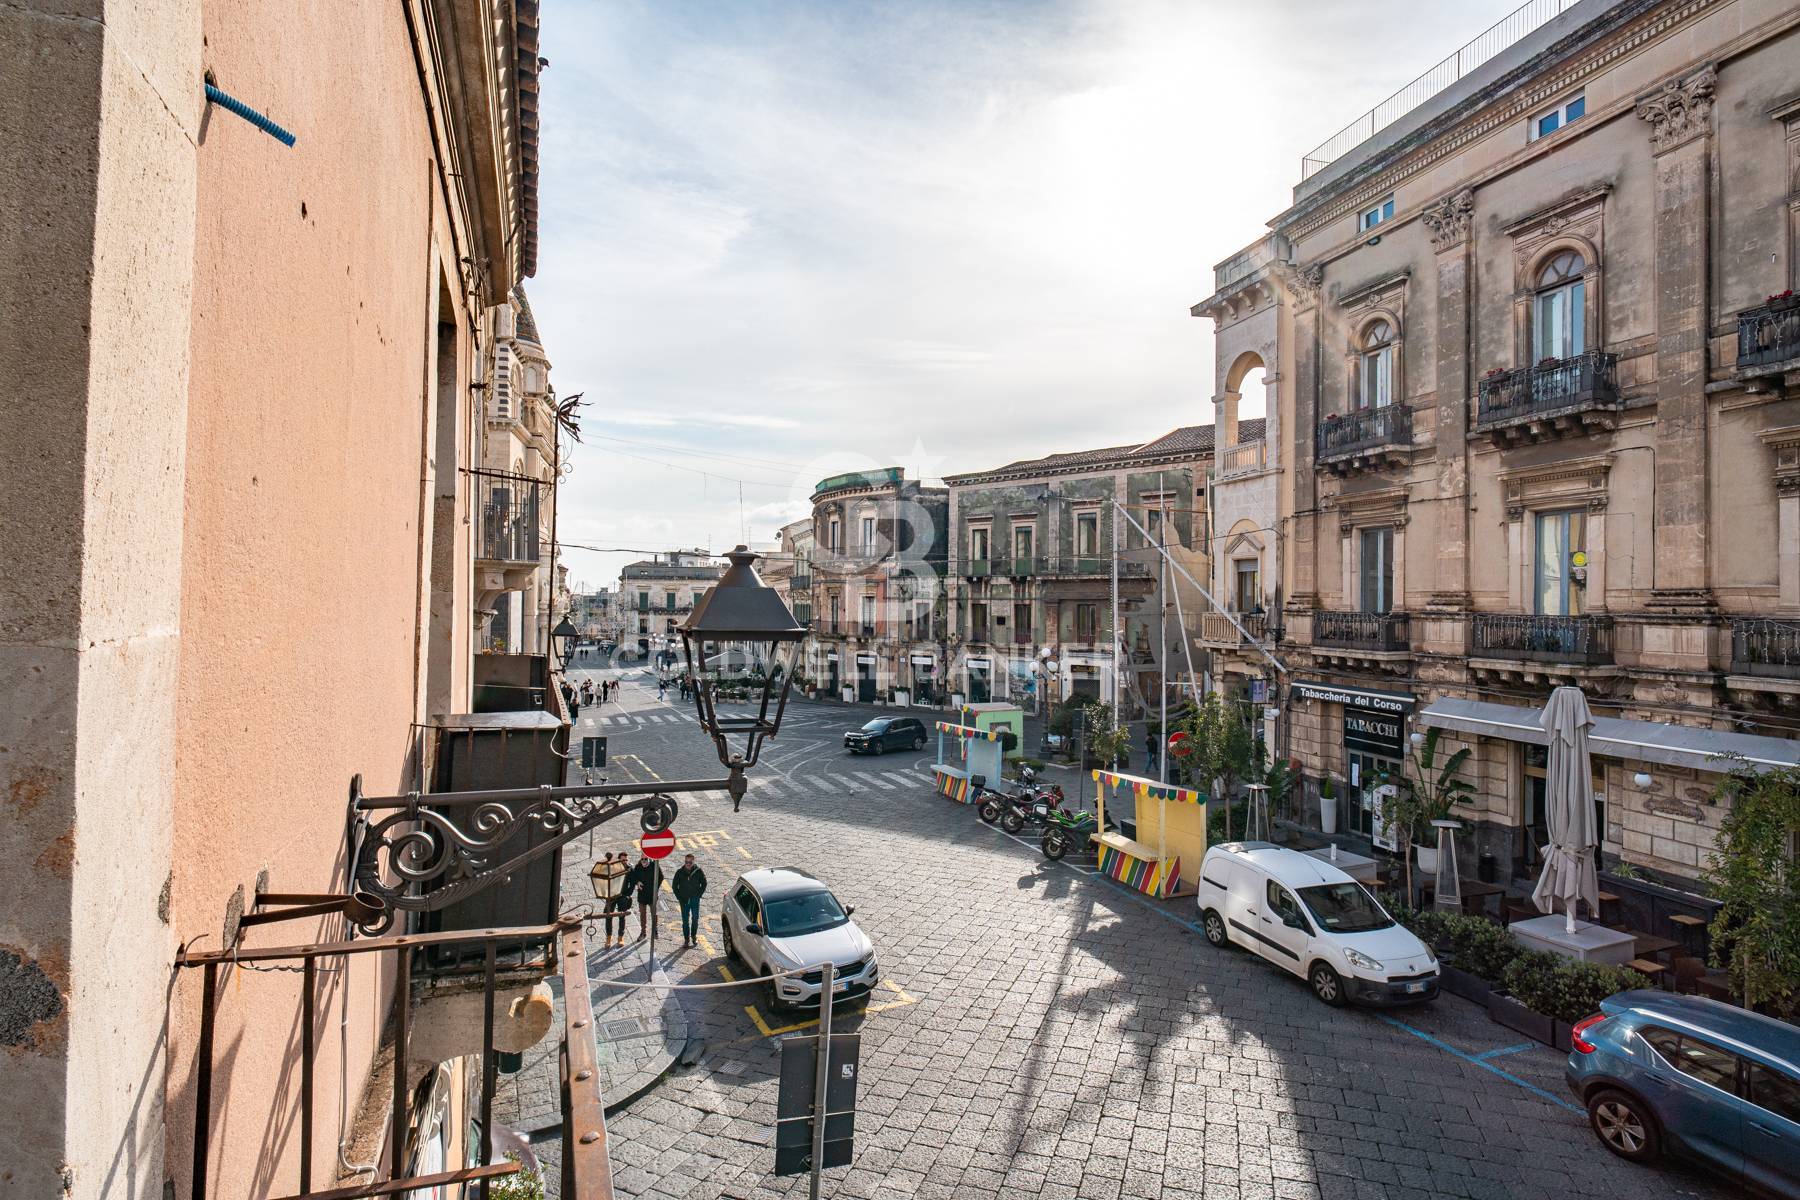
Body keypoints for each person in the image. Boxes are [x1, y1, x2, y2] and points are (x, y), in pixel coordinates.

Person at [589, 852, 629, 947]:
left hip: (622, 896)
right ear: (618, 860)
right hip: (611, 896)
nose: (625, 861)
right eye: (623, 860)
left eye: (626, 860)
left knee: (622, 916)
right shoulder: (612, 868)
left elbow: (633, 882)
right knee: (608, 916)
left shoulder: (629, 869)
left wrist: (628, 894)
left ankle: (620, 937)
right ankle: (609, 937)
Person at [670, 854, 707, 947]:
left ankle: (693, 936)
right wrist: (679, 897)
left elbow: (704, 883)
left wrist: (699, 895)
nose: (688, 864)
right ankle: (686, 939)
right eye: (686, 862)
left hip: (695, 899)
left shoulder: (698, 871)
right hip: (684, 900)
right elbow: (674, 886)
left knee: (695, 918)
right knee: (685, 920)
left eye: (690, 862)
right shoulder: (679, 872)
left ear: (693, 861)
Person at [626, 851, 663, 943]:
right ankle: (643, 932)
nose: (644, 861)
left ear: (649, 859)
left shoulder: (654, 866)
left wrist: (656, 887)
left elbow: (661, 877)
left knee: (654, 913)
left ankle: (655, 930)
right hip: (642, 895)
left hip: (652, 895)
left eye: (645, 859)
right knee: (642, 914)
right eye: (642, 859)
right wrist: (637, 882)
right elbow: (633, 877)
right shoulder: (638, 867)